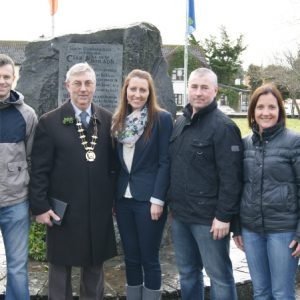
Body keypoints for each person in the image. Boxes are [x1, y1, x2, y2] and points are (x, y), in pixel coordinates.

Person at [29, 62, 117, 299]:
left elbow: (113, 167)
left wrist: (113, 200)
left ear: (95, 86)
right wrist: (40, 207)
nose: (83, 89)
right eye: (77, 83)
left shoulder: (107, 120)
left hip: (96, 210)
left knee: (94, 267)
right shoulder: (50, 122)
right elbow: (39, 169)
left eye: (88, 83)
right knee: (59, 270)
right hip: (62, 211)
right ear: (68, 86)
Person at [168, 67, 243, 300]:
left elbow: (232, 177)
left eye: (204, 87)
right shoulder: (180, 122)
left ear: (215, 90)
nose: (198, 92)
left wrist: (223, 217)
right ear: (188, 88)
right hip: (181, 217)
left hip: (209, 220)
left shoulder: (224, 127)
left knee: (219, 276)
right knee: (188, 273)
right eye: (194, 86)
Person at [233, 84, 300, 300]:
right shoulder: (245, 144)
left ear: (280, 110)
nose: (265, 112)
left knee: (281, 293)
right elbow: (237, 188)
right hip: (251, 231)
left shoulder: (294, 142)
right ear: (252, 111)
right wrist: (237, 228)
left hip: (283, 232)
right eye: (260, 107)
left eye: (271, 107)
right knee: (261, 293)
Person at [111, 69, 173, 300]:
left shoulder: (161, 119)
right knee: (131, 257)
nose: (137, 94)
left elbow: (165, 162)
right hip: (124, 200)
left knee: (149, 258)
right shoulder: (118, 120)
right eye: (133, 89)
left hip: (149, 201)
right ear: (126, 91)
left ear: (149, 93)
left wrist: (158, 199)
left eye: (142, 90)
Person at [0, 54, 37, 299]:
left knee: (17, 267)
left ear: (14, 78)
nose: (2, 81)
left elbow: (33, 159)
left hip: (15, 203)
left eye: (6, 76)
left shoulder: (27, 115)